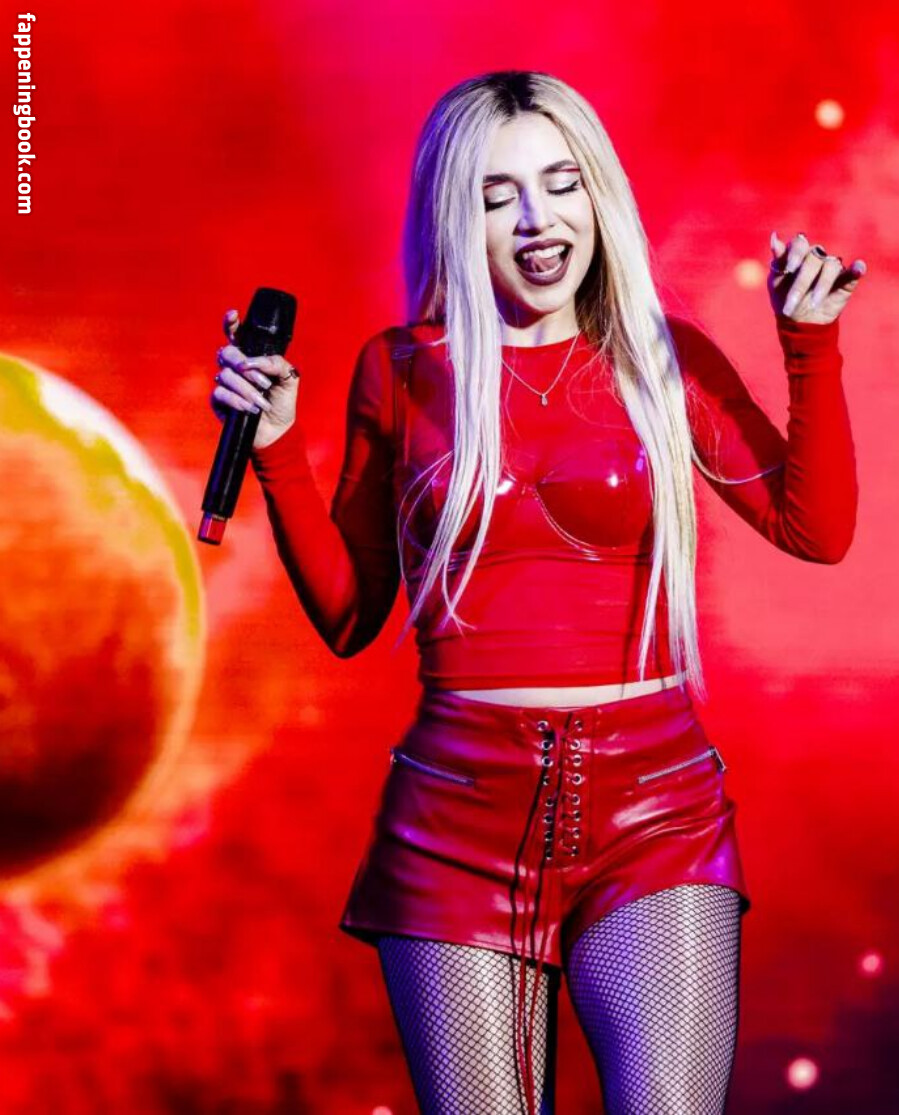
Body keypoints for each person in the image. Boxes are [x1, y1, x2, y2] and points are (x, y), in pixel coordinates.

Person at [210, 69, 863, 1115]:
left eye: (563, 184)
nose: (538, 220)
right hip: (458, 818)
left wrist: (809, 344)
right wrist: (277, 450)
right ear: (453, 215)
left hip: (655, 810)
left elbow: (815, 529)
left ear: (598, 195)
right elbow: (349, 616)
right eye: (497, 193)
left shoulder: (663, 361)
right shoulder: (400, 370)